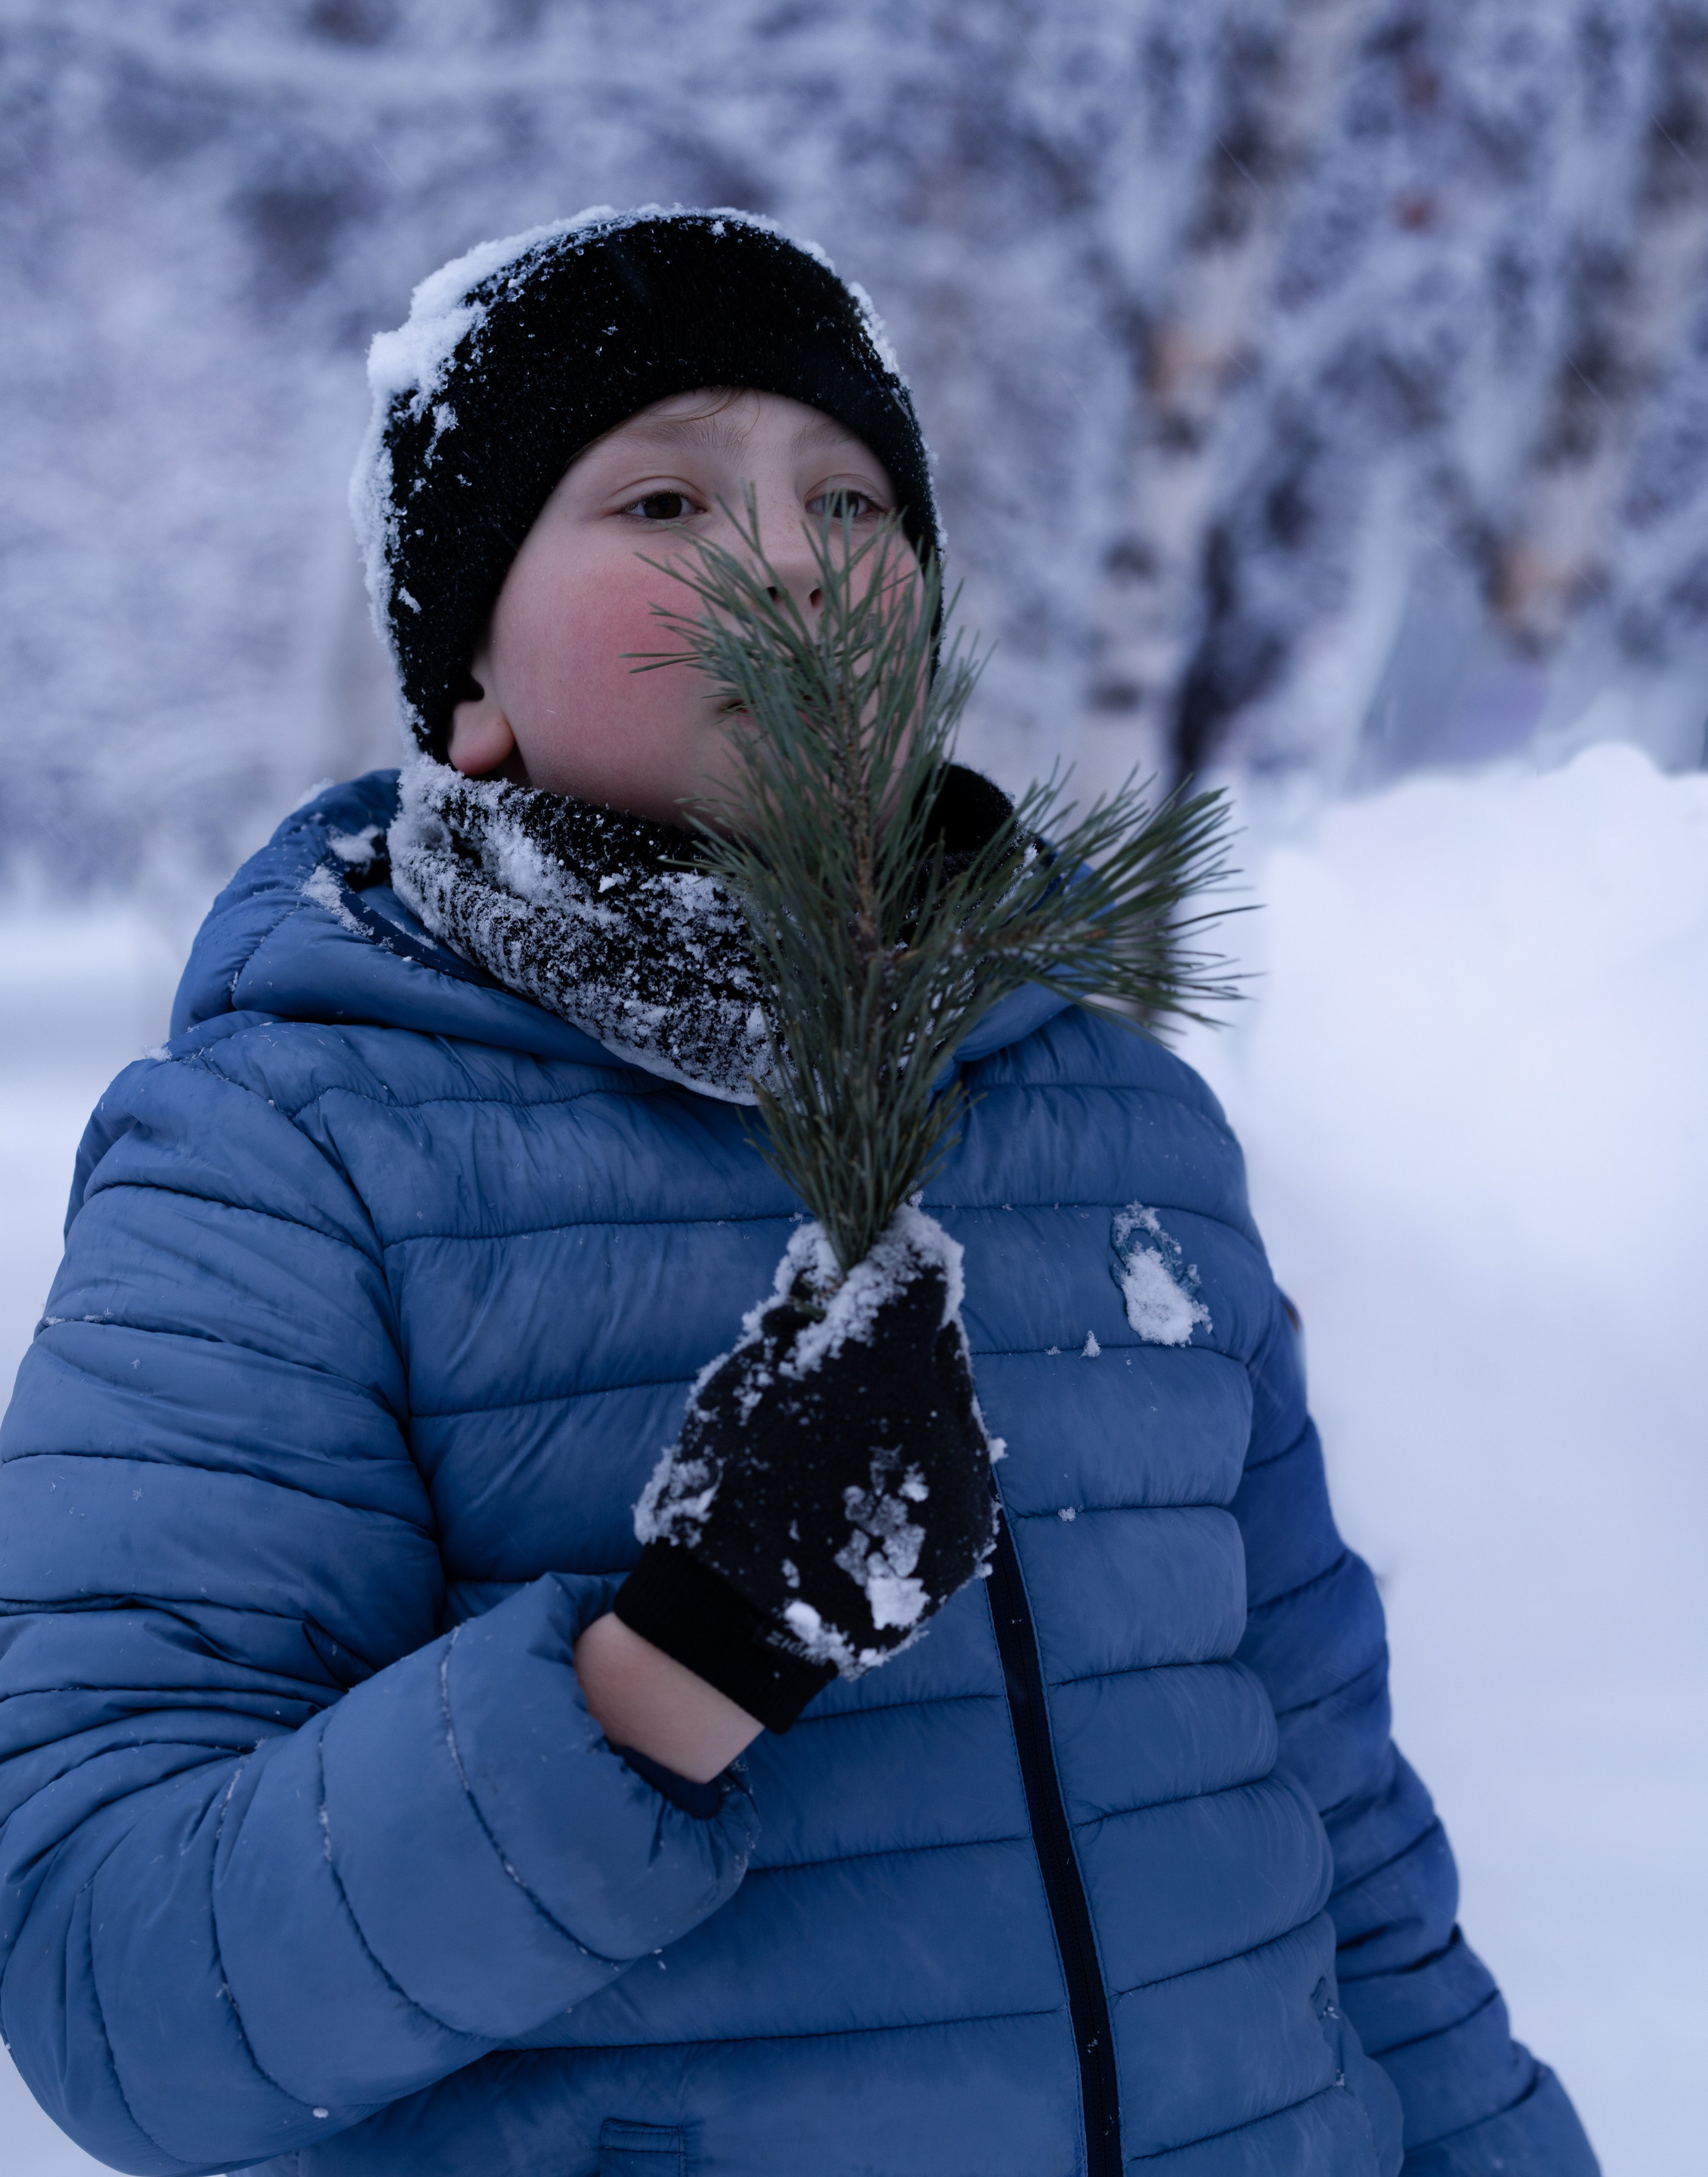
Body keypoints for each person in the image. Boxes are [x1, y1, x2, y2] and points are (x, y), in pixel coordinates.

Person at [0, 208, 1598, 2177]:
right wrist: (669, 1669)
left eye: (852, 502)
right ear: (466, 684)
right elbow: (112, 1987)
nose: (785, 563)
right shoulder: (292, 1162)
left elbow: (1333, 1829)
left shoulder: (1124, 1125)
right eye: (664, 495)